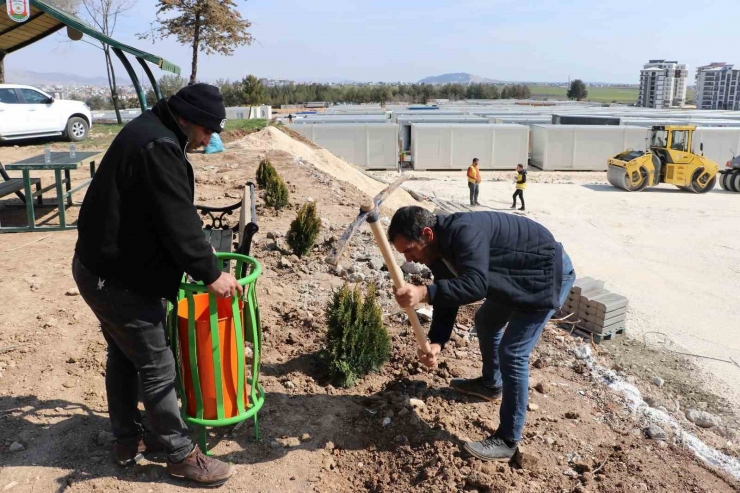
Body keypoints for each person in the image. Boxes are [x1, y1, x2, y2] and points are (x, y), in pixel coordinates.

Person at [72, 83, 240, 487]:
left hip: (98, 269)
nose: (208, 139)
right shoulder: (159, 147)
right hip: (117, 279)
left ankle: (128, 440)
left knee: (125, 355)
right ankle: (181, 455)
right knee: (156, 363)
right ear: (189, 120)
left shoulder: (150, 130)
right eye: (207, 131)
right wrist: (212, 273)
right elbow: (179, 223)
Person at [388, 206, 575, 462]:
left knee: (513, 352)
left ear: (427, 234)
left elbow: (476, 285)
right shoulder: (438, 250)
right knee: (486, 321)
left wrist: (423, 292)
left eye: (409, 249)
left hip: (545, 274)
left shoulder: (463, 233)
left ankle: (507, 440)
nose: (410, 259)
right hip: (513, 274)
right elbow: (449, 296)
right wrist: (436, 343)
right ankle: (490, 385)